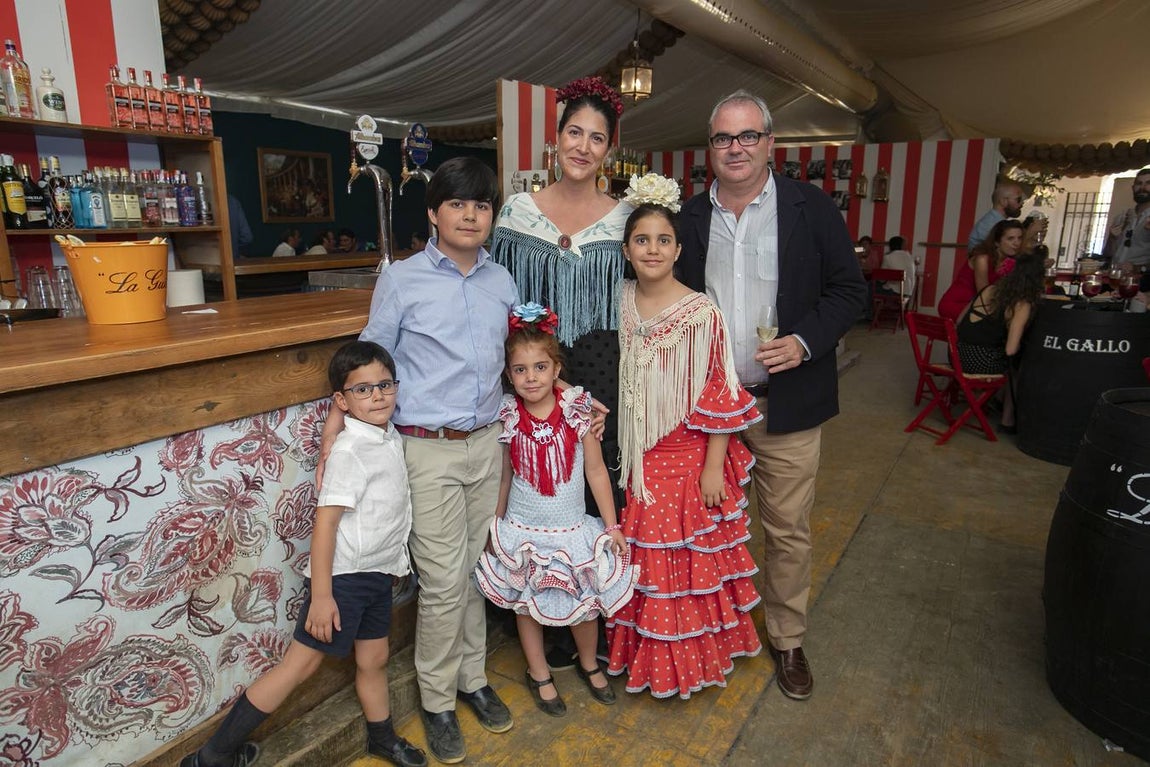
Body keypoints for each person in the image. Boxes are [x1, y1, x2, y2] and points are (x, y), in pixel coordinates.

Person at [322, 157, 517, 765]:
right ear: (433, 214)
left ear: (491, 217)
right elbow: (370, 359)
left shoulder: (502, 282)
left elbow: (518, 361)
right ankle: (436, 700)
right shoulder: (402, 279)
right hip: (426, 449)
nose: (470, 215)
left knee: (479, 569)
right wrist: (336, 427)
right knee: (441, 582)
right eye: (457, 204)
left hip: (488, 442)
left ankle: (472, 680)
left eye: (481, 206)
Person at [676, 90, 867, 701]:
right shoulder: (686, 219)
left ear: (770, 143)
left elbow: (849, 291)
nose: (736, 148)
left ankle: (787, 639)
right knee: (703, 528)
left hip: (785, 403)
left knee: (786, 529)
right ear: (710, 148)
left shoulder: (810, 207)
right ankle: (708, 633)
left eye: (748, 136)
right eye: (724, 138)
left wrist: (807, 342)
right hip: (705, 412)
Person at [182, 341, 425, 767]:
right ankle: (211, 757)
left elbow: (336, 431)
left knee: (375, 659)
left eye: (385, 385)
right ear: (342, 400)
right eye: (363, 390)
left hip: (377, 575)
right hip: (343, 579)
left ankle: (381, 739)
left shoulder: (384, 437)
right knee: (299, 667)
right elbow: (325, 525)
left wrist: (336, 422)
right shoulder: (350, 452)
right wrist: (322, 596)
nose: (378, 396)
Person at [490, 75, 632, 670]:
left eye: (597, 138)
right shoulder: (518, 212)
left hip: (600, 364)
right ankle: (533, 616)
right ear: (556, 138)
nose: (583, 146)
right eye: (574, 131)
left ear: (610, 149)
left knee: (592, 482)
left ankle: (585, 613)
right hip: (535, 372)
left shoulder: (625, 218)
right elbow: (499, 298)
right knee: (533, 485)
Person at [606, 194, 764, 699]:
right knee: (646, 562)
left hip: (687, 456)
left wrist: (714, 466)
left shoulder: (702, 312)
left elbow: (720, 388)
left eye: (664, 241)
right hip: (638, 455)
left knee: (684, 564)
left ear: (678, 251)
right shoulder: (620, 298)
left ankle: (688, 663)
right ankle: (646, 659)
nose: (653, 249)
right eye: (642, 240)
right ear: (627, 250)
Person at [474, 304, 637, 716]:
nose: (531, 378)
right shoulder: (509, 416)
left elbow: (597, 472)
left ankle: (586, 662)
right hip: (523, 528)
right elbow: (506, 477)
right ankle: (539, 670)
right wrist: (495, 528)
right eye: (520, 370)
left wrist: (612, 526)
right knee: (525, 604)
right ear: (508, 375)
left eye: (541, 367)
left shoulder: (578, 412)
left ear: (556, 368)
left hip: (569, 529)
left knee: (585, 602)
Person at [956, 253, 1046, 431]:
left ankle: (997, 399)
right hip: (979, 362)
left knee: (1004, 359)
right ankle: (1007, 419)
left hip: (957, 356)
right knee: (1016, 366)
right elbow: (1011, 350)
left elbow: (959, 321)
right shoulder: (1021, 303)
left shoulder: (988, 289)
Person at [938, 219, 1024, 321]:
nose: (1016, 243)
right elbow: (984, 295)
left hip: (979, 306)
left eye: (1019, 238)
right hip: (957, 304)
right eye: (1010, 239)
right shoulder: (982, 258)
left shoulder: (1011, 261)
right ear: (997, 242)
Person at [1104, 168, 1150, 271]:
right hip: (1115, 278)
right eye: (1139, 183)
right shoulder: (1121, 217)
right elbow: (1107, 254)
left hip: (1142, 281)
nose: (1142, 188)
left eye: (1148, 183)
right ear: (1133, 188)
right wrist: (1112, 238)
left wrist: (1137, 268)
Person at [967, 181, 1024, 252]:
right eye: (1018, 199)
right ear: (1003, 201)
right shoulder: (992, 224)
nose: (1022, 203)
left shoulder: (994, 220)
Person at [878, 235, 916, 302]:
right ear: (902, 245)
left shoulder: (888, 257)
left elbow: (881, 279)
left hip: (894, 292)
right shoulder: (909, 256)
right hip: (908, 293)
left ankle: (869, 311)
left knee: (869, 286)